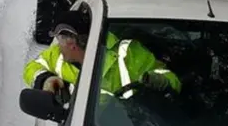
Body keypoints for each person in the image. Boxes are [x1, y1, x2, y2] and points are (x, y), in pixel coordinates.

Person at [22, 10, 181, 101]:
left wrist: (161, 81)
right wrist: (46, 79)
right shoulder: (57, 56)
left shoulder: (129, 53)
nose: (57, 45)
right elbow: (32, 68)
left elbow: (171, 78)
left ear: (72, 43)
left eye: (59, 39)